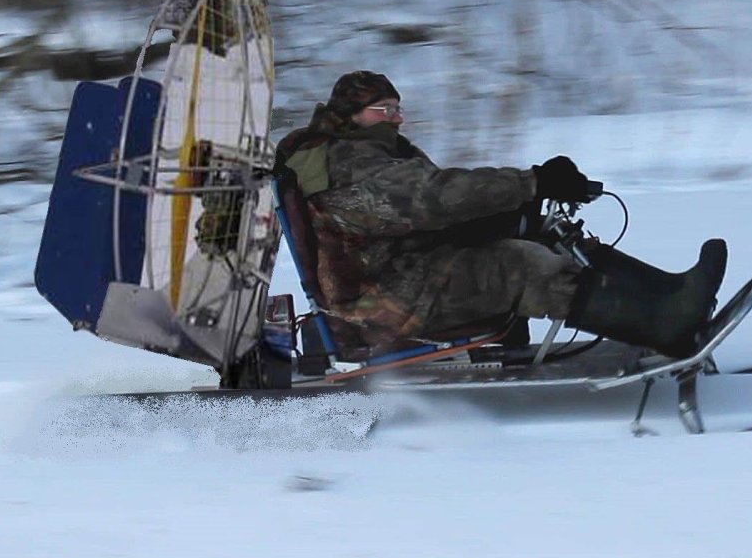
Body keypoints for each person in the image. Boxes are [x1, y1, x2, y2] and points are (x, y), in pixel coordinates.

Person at [275, 70, 727, 359]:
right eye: (384, 110)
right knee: (520, 264)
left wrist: (522, 207)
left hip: (411, 270)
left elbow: (433, 210)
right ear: (351, 117)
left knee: (546, 234)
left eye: (398, 108)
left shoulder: (371, 154)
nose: (397, 119)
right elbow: (431, 198)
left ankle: (672, 295)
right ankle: (666, 329)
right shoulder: (347, 165)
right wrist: (530, 182)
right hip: (383, 300)